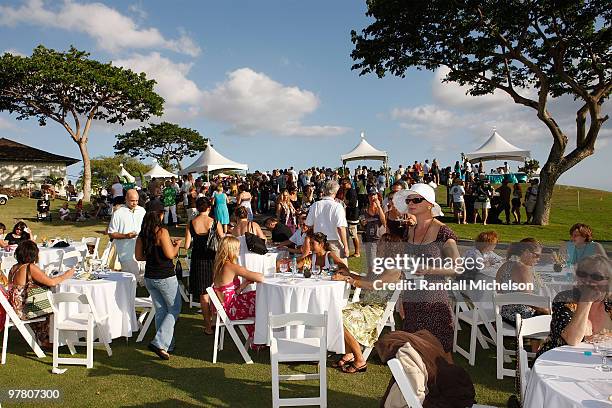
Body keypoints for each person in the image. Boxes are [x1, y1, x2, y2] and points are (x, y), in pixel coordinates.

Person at [400, 183, 461, 353]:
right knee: (412, 355)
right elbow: (406, 269)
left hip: (434, 300)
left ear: (429, 204)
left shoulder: (443, 233)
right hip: (412, 299)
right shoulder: (409, 231)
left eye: (416, 199)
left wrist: (430, 270)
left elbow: (458, 268)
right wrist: (401, 298)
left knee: (440, 355)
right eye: (409, 199)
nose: (411, 203)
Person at [332, 238, 401, 373]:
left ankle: (360, 360)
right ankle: (349, 353)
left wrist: (348, 279)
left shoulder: (394, 269)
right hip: (364, 304)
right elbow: (366, 279)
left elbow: (372, 285)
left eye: (381, 246)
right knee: (334, 312)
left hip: (375, 309)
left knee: (341, 317)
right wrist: (349, 274)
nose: (377, 247)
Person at [536, 255, 611, 358]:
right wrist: (586, 301)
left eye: (596, 277)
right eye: (582, 274)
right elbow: (572, 339)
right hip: (557, 360)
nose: (588, 280)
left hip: (597, 361)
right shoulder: (564, 299)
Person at [135, 201, 182, 360]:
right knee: (174, 309)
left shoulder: (143, 233)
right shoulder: (161, 231)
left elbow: (139, 256)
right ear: (160, 214)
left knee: (162, 310)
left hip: (150, 277)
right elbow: (170, 255)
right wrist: (177, 246)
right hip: (165, 276)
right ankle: (159, 342)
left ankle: (166, 345)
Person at [7, 240, 75, 349]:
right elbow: (51, 282)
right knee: (53, 307)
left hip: (14, 308)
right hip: (24, 310)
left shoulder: (14, 268)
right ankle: (47, 339)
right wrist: (67, 275)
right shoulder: (29, 267)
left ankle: (43, 337)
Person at [212, 236, 264, 346]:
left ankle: (257, 337)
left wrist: (244, 284)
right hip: (231, 309)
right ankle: (260, 338)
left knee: (256, 297)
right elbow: (260, 278)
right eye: (238, 248)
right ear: (231, 250)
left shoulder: (219, 265)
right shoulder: (231, 266)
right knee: (262, 300)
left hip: (225, 307)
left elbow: (228, 292)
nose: (239, 251)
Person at [184, 197, 223, 335]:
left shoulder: (191, 223)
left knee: (203, 295)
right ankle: (216, 321)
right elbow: (223, 240)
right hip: (213, 259)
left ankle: (208, 326)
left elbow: (187, 245)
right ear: (209, 208)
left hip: (198, 260)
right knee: (217, 291)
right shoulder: (214, 222)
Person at [495, 238, 550, 326]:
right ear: (526, 252)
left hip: (505, 314)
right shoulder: (523, 269)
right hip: (522, 318)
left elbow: (498, 290)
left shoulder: (505, 265)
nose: (538, 259)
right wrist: (547, 310)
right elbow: (528, 300)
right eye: (536, 255)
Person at [107, 189, 146, 283]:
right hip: (127, 253)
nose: (135, 203)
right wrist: (126, 236)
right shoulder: (118, 213)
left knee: (146, 279)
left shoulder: (142, 211)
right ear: (126, 199)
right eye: (132, 201)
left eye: (136, 200)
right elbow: (111, 233)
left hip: (142, 250)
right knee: (131, 282)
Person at [305, 180, 349, 262]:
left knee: (320, 270)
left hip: (319, 243)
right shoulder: (337, 206)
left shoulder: (315, 205)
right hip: (333, 242)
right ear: (336, 191)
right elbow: (341, 228)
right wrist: (346, 246)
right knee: (341, 270)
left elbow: (308, 225)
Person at [361, 187, 386, 273]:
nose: (372, 197)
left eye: (374, 195)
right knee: (371, 263)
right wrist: (363, 223)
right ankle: (372, 280)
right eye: (370, 195)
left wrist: (379, 207)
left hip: (381, 239)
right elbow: (362, 225)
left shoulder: (383, 207)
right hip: (370, 239)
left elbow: (384, 222)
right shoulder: (364, 209)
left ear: (378, 196)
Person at [342, 178, 361, 258]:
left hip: (353, 216)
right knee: (350, 234)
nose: (342, 185)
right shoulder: (348, 191)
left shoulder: (352, 192)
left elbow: (352, 204)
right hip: (349, 215)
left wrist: (345, 201)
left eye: (344, 183)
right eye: (342, 183)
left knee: (354, 234)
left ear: (349, 183)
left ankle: (357, 252)